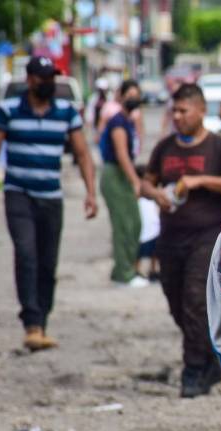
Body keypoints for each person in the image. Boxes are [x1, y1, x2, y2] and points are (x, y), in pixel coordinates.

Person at [0, 56, 98, 351]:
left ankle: (42, 321)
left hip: (51, 197)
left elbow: (82, 154)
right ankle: (31, 323)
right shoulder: (8, 111)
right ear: (30, 80)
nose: (50, 84)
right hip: (18, 194)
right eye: (44, 78)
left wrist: (91, 193)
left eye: (53, 78)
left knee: (47, 262)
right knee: (26, 254)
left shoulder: (66, 113)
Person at [141, 83, 221, 398]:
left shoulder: (219, 147)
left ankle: (192, 372)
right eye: (173, 111)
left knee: (194, 301)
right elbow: (146, 183)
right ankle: (210, 363)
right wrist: (156, 194)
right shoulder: (165, 148)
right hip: (170, 237)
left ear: (201, 110)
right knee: (177, 303)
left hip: (207, 239)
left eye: (183, 110)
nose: (177, 116)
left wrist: (201, 180)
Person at [99, 79, 148, 287]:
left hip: (123, 175)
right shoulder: (118, 122)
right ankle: (123, 274)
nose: (133, 100)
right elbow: (122, 155)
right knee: (123, 225)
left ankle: (127, 268)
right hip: (115, 175)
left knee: (134, 223)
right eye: (130, 96)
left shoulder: (128, 120)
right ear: (120, 96)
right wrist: (135, 181)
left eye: (136, 96)